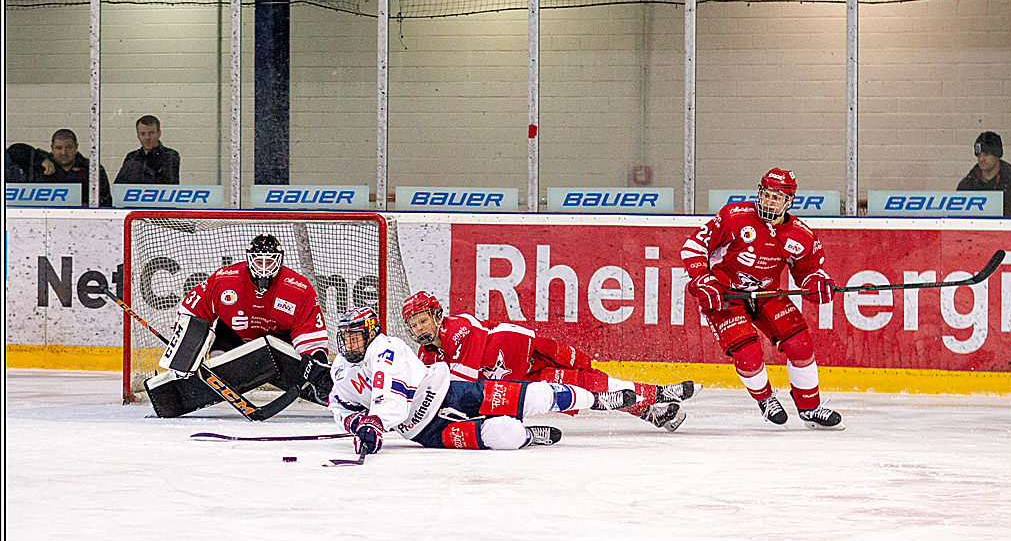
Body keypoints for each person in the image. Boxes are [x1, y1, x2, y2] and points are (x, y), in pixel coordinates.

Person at [308, 306, 667, 455]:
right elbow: (340, 405)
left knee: (553, 389)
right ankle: (527, 436)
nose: (350, 344)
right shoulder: (347, 368)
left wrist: (373, 422)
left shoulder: (389, 349)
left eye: (422, 320)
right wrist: (356, 422)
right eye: (347, 338)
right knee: (499, 436)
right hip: (421, 431)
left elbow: (392, 400)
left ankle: (619, 398)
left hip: (503, 368)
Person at [681, 167, 844, 430]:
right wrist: (703, 279)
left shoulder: (800, 235)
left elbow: (808, 272)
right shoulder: (734, 217)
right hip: (726, 295)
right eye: (766, 194)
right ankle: (766, 399)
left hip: (767, 294)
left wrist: (816, 283)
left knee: (800, 345)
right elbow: (693, 247)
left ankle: (811, 409)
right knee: (748, 355)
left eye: (776, 197)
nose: (769, 202)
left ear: (788, 201)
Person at [400, 291, 698, 431]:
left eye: (422, 321)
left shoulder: (458, 328)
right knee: (582, 389)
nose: (418, 330)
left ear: (438, 316)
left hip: (530, 351)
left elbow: (459, 386)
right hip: (520, 381)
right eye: (413, 326)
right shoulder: (427, 355)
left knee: (587, 373)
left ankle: (656, 396)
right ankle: (654, 406)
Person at [144, 233, 331, 418]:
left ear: (279, 261)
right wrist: (185, 348)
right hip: (233, 336)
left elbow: (309, 333)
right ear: (249, 260)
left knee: (308, 368)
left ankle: (341, 395)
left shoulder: (298, 289)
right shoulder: (225, 280)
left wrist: (316, 360)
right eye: (259, 262)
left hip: (279, 340)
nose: (264, 269)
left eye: (270, 262)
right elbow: (193, 309)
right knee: (218, 362)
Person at [31, 129, 113, 207]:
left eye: (69, 147)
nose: (64, 152)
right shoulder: (41, 168)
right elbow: (20, 150)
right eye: (59, 148)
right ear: (52, 148)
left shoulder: (92, 169)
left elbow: (106, 201)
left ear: (76, 147)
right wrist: (41, 160)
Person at [957, 131, 1011, 218]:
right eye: (979, 155)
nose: (981, 159)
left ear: (997, 155)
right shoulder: (968, 184)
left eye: (987, 154)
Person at [114, 115, 180, 185]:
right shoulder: (132, 157)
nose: (147, 137)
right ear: (138, 136)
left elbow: (169, 183)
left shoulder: (170, 155)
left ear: (159, 133)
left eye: (151, 133)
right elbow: (119, 186)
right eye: (143, 134)